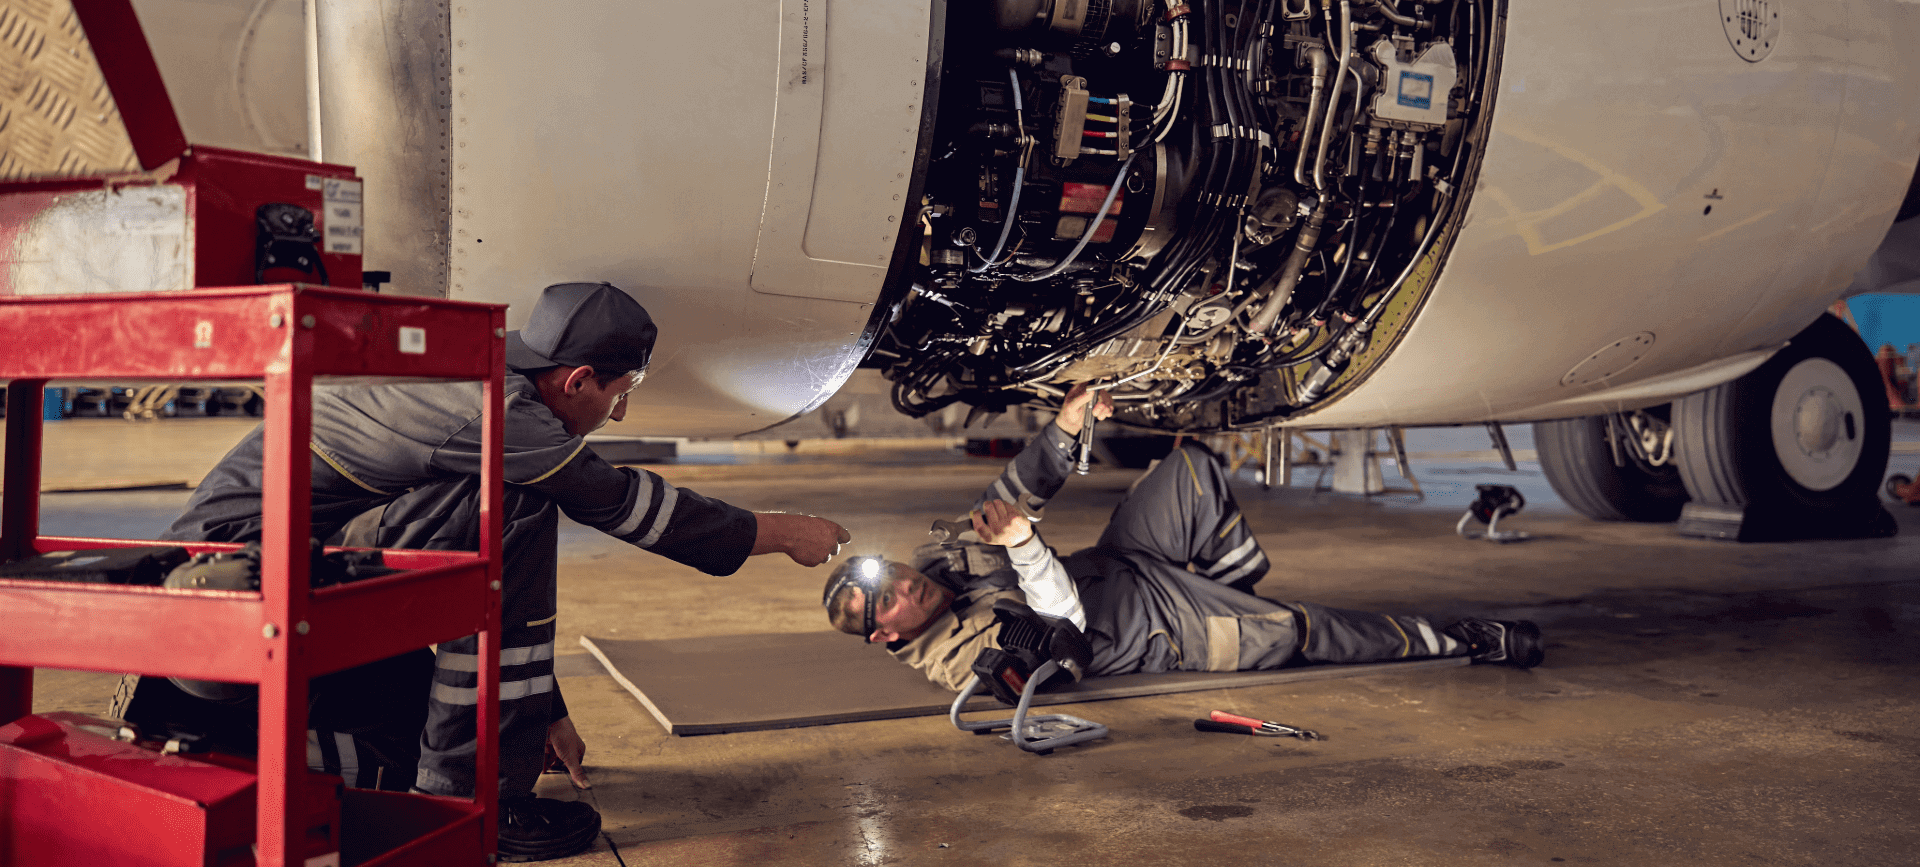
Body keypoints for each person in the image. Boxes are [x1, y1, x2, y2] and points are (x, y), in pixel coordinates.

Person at [146, 282, 851, 862]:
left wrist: (544, 710)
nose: (618, 413)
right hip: (242, 573)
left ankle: (223, 735)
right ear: (577, 380)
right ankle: (478, 801)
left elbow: (501, 593)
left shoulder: (482, 374)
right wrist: (782, 532)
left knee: (407, 733)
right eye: (619, 394)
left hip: (280, 554)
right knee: (514, 505)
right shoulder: (504, 414)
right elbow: (618, 502)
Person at [822, 386, 1541, 692]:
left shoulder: (936, 561)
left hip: (1124, 563)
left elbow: (1009, 497)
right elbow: (1066, 634)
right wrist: (1025, 547)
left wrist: (1067, 427)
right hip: (1157, 630)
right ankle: (1463, 641)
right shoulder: (961, 662)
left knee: (1189, 470)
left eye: (884, 576)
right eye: (883, 604)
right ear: (886, 635)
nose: (900, 587)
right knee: (1301, 631)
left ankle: (1229, 591)